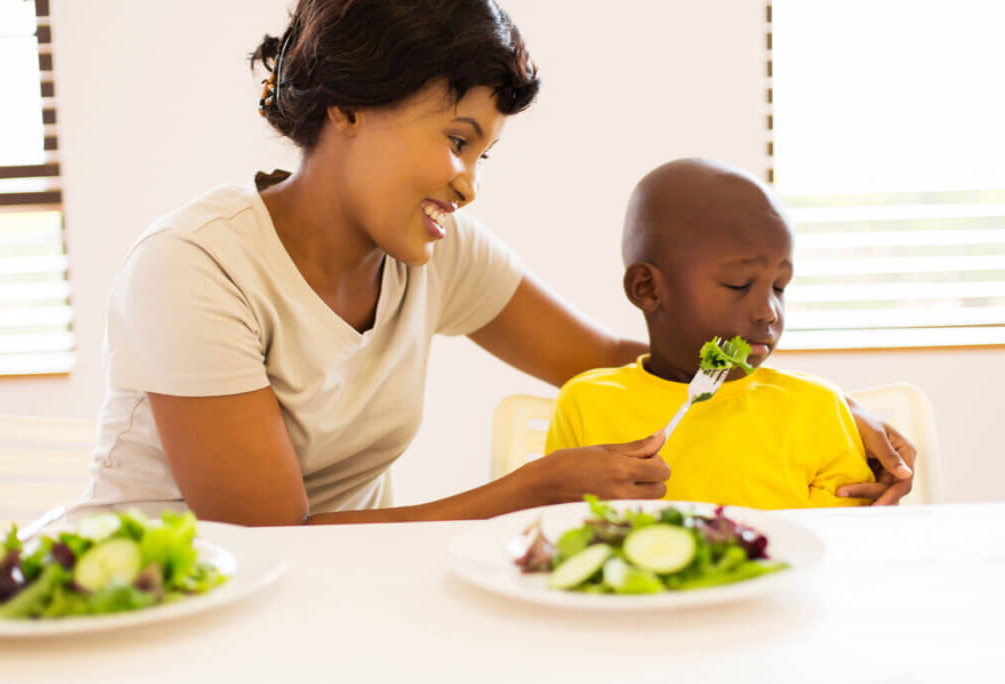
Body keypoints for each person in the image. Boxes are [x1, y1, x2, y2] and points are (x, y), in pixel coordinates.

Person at [73, 0, 913, 526]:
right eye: (456, 140)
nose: (468, 185)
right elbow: (265, 536)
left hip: (329, 598)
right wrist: (535, 487)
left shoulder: (433, 252)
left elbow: (632, 366)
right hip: (146, 609)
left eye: (484, 154)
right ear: (348, 108)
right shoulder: (195, 269)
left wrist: (827, 406)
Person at [545, 158, 913, 508]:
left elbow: (836, 546)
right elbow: (561, 530)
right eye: (739, 284)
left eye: (780, 287)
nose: (768, 310)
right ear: (648, 289)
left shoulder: (818, 408)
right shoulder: (584, 404)